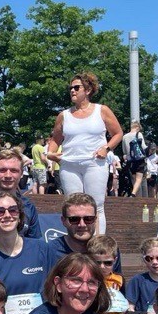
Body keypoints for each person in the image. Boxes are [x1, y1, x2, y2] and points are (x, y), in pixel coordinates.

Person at [47, 72, 124, 234]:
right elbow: (55, 139)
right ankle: (75, 242)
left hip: (94, 163)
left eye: (76, 87)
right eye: (70, 88)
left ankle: (98, 243)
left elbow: (118, 133)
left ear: (88, 90)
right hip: (69, 165)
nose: (72, 91)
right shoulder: (64, 115)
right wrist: (50, 154)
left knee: (96, 205)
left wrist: (106, 148)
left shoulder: (102, 110)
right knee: (73, 206)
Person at [86, 235, 158, 314]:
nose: (102, 267)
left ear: (115, 260)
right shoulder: (87, 279)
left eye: (107, 263)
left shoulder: (118, 278)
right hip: (100, 313)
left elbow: (121, 298)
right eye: (97, 262)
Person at [0, 150, 41, 243]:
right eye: (2, 170)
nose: (8, 175)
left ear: (21, 174)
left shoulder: (28, 206)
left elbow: (35, 243)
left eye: (14, 170)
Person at [47, 193, 121, 273]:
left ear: (95, 220)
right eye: (74, 219)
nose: (82, 225)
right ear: (63, 221)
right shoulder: (50, 251)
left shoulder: (108, 249)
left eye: (88, 219)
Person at [125, 237, 158, 314]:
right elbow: (130, 307)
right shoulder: (138, 281)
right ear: (144, 260)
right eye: (149, 258)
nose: (154, 262)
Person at [122, 121, 147, 197]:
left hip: (130, 160)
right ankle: (133, 194)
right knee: (139, 179)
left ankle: (134, 194)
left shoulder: (125, 136)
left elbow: (124, 151)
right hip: (139, 159)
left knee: (134, 179)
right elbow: (143, 147)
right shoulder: (139, 134)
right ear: (137, 127)